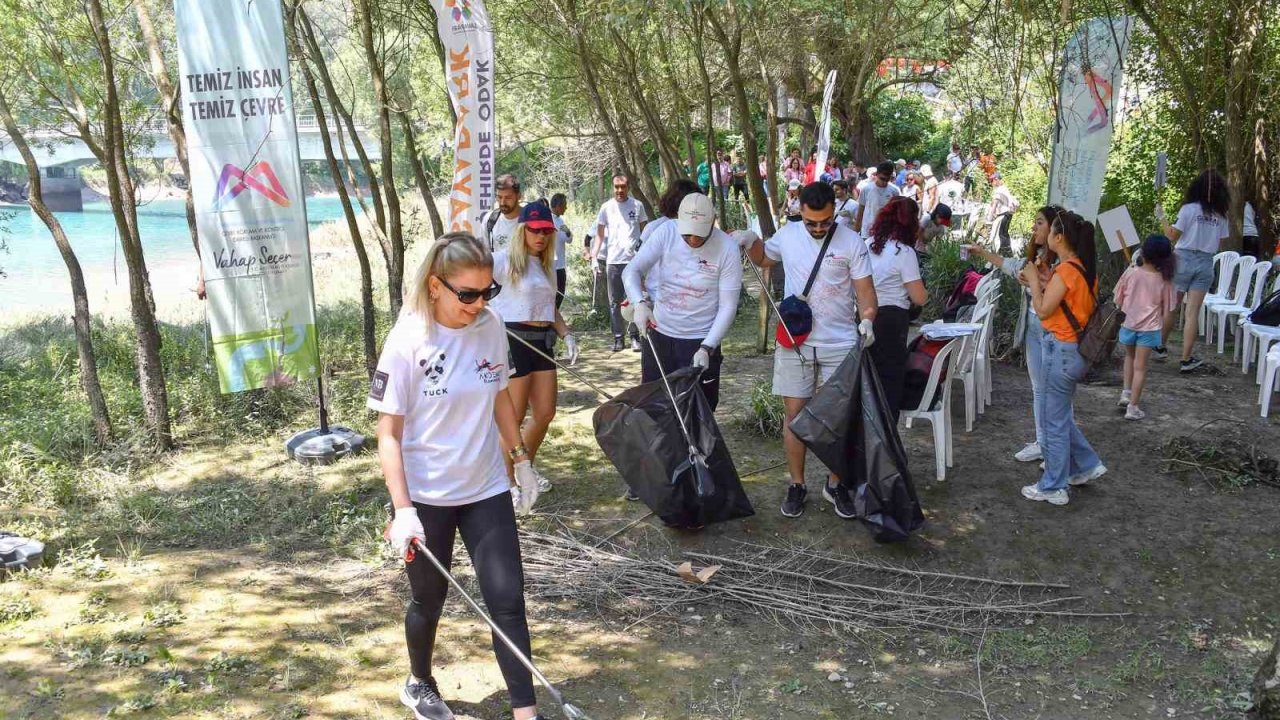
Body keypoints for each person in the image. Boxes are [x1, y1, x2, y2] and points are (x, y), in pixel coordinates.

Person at [372, 232, 547, 720]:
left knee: (507, 599)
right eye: (466, 294)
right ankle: (419, 682)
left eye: (486, 292)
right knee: (430, 599)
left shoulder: (490, 326)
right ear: (435, 286)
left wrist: (521, 459)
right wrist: (403, 510)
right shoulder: (408, 340)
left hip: (486, 486)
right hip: (427, 495)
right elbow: (388, 434)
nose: (477, 304)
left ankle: (525, 712)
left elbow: (499, 399)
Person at [742, 182, 878, 520]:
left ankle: (835, 484)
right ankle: (797, 484)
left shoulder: (851, 242)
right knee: (795, 416)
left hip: (840, 341)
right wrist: (747, 239)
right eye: (812, 222)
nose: (819, 228)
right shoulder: (787, 236)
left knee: (839, 419)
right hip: (796, 339)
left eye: (826, 221)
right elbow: (762, 258)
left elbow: (866, 294)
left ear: (835, 211)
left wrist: (868, 321)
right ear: (799, 211)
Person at [1019, 210, 1107, 505]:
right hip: (1074, 351)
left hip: (1061, 351)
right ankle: (1086, 464)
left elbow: (1043, 310)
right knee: (1058, 417)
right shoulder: (1082, 268)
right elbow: (1064, 303)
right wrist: (1045, 279)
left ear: (1059, 238)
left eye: (1051, 231)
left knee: (1052, 420)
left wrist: (1033, 279)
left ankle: (1053, 486)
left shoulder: (1067, 271)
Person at [624, 192, 743, 411]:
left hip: (701, 338)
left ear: (712, 223)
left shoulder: (727, 248)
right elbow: (632, 270)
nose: (693, 240)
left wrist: (707, 347)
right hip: (660, 334)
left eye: (699, 235)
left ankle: (695, 447)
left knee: (699, 409)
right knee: (655, 406)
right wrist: (639, 303)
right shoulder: (666, 232)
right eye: (687, 235)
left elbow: (728, 306)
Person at [966, 205, 1063, 464]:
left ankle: (1056, 449)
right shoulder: (1037, 256)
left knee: (1056, 392)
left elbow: (1059, 294)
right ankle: (1042, 442)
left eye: (1040, 223)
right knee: (1039, 389)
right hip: (1033, 326)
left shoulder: (1065, 262)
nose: (1034, 227)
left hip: (1054, 332)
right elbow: (1011, 266)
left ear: (1055, 229)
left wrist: (1035, 282)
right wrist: (982, 252)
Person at [492, 203, 580, 485]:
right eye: (534, 230)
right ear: (522, 230)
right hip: (514, 339)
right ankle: (505, 483)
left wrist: (567, 334)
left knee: (544, 412)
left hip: (542, 342)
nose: (540, 236)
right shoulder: (503, 260)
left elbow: (549, 307)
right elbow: (471, 281)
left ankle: (524, 469)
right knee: (513, 416)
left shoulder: (547, 265)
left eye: (546, 231)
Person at [1156, 168, 1231, 371]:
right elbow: (1223, 242)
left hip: (1183, 259)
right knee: (1193, 312)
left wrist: (1162, 217)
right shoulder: (1221, 215)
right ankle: (1186, 359)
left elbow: (1172, 235)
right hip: (1206, 263)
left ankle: (1160, 346)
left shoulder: (1189, 209)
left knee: (1172, 306)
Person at [865, 197, 929, 418]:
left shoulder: (867, 244)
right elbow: (919, 298)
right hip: (891, 319)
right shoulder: (904, 252)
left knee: (866, 380)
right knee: (890, 382)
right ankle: (886, 441)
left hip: (863, 315)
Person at [1114, 234, 1178, 420]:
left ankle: (1126, 392)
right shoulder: (1166, 281)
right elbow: (1169, 309)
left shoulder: (1131, 272)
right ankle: (1133, 407)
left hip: (1128, 324)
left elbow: (1118, 298)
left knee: (1129, 357)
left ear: (1143, 252)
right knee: (1141, 367)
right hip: (1149, 330)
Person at [592, 175, 650, 352]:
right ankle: (618, 337)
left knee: (633, 300)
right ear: (613, 187)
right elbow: (599, 235)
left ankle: (634, 337)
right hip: (613, 262)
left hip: (633, 262)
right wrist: (594, 257)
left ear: (628, 187)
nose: (620, 190)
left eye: (623, 186)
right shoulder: (606, 208)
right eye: (616, 187)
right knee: (614, 301)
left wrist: (646, 256)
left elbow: (645, 231)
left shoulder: (637, 205)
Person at [636, 179, 702, 304]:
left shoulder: (700, 229)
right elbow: (636, 264)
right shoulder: (654, 228)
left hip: (691, 298)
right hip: (659, 298)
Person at [855, 161, 902, 238]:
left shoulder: (894, 191)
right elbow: (861, 210)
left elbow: (896, 212)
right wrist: (857, 229)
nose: (884, 182)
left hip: (886, 231)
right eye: (882, 178)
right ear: (877, 174)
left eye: (887, 179)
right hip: (867, 231)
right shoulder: (866, 189)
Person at [482, 174, 523, 251]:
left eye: (508, 198)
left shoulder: (530, 219)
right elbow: (485, 253)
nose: (502, 202)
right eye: (499, 197)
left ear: (519, 196)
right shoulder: (489, 219)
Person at [986, 173, 1020, 253]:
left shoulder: (999, 190)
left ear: (996, 179)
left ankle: (1003, 253)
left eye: (991, 180)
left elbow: (995, 204)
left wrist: (989, 219)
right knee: (1004, 233)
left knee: (1000, 234)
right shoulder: (1004, 189)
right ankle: (1007, 251)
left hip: (1003, 214)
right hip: (1008, 214)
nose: (991, 183)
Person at [548, 194, 571, 309]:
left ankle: (554, 321)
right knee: (550, 295)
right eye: (564, 206)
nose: (566, 208)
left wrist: (568, 232)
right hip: (549, 265)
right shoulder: (547, 218)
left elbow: (569, 240)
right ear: (558, 205)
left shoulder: (561, 220)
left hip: (561, 264)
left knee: (560, 293)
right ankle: (549, 322)